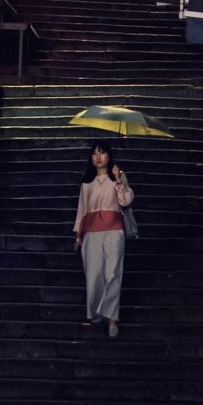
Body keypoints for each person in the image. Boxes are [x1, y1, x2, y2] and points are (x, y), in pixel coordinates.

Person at [73, 138, 134, 338]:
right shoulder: (86, 184)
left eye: (102, 152)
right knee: (94, 275)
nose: (98, 157)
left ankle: (112, 319)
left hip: (114, 230)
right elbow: (81, 211)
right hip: (91, 232)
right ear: (91, 158)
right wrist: (78, 235)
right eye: (95, 153)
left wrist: (119, 180)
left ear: (109, 156)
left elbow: (126, 201)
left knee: (113, 273)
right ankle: (97, 313)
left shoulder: (117, 177)